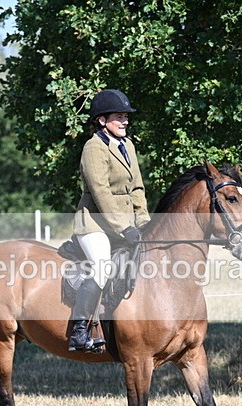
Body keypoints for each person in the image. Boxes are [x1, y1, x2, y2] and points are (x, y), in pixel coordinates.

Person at [68, 89, 151, 353]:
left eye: (126, 117)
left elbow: (137, 187)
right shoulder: (93, 147)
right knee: (103, 267)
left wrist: (143, 222)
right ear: (102, 120)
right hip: (94, 225)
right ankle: (79, 331)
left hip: (123, 225)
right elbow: (101, 192)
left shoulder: (127, 145)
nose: (125, 121)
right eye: (119, 117)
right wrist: (123, 227)